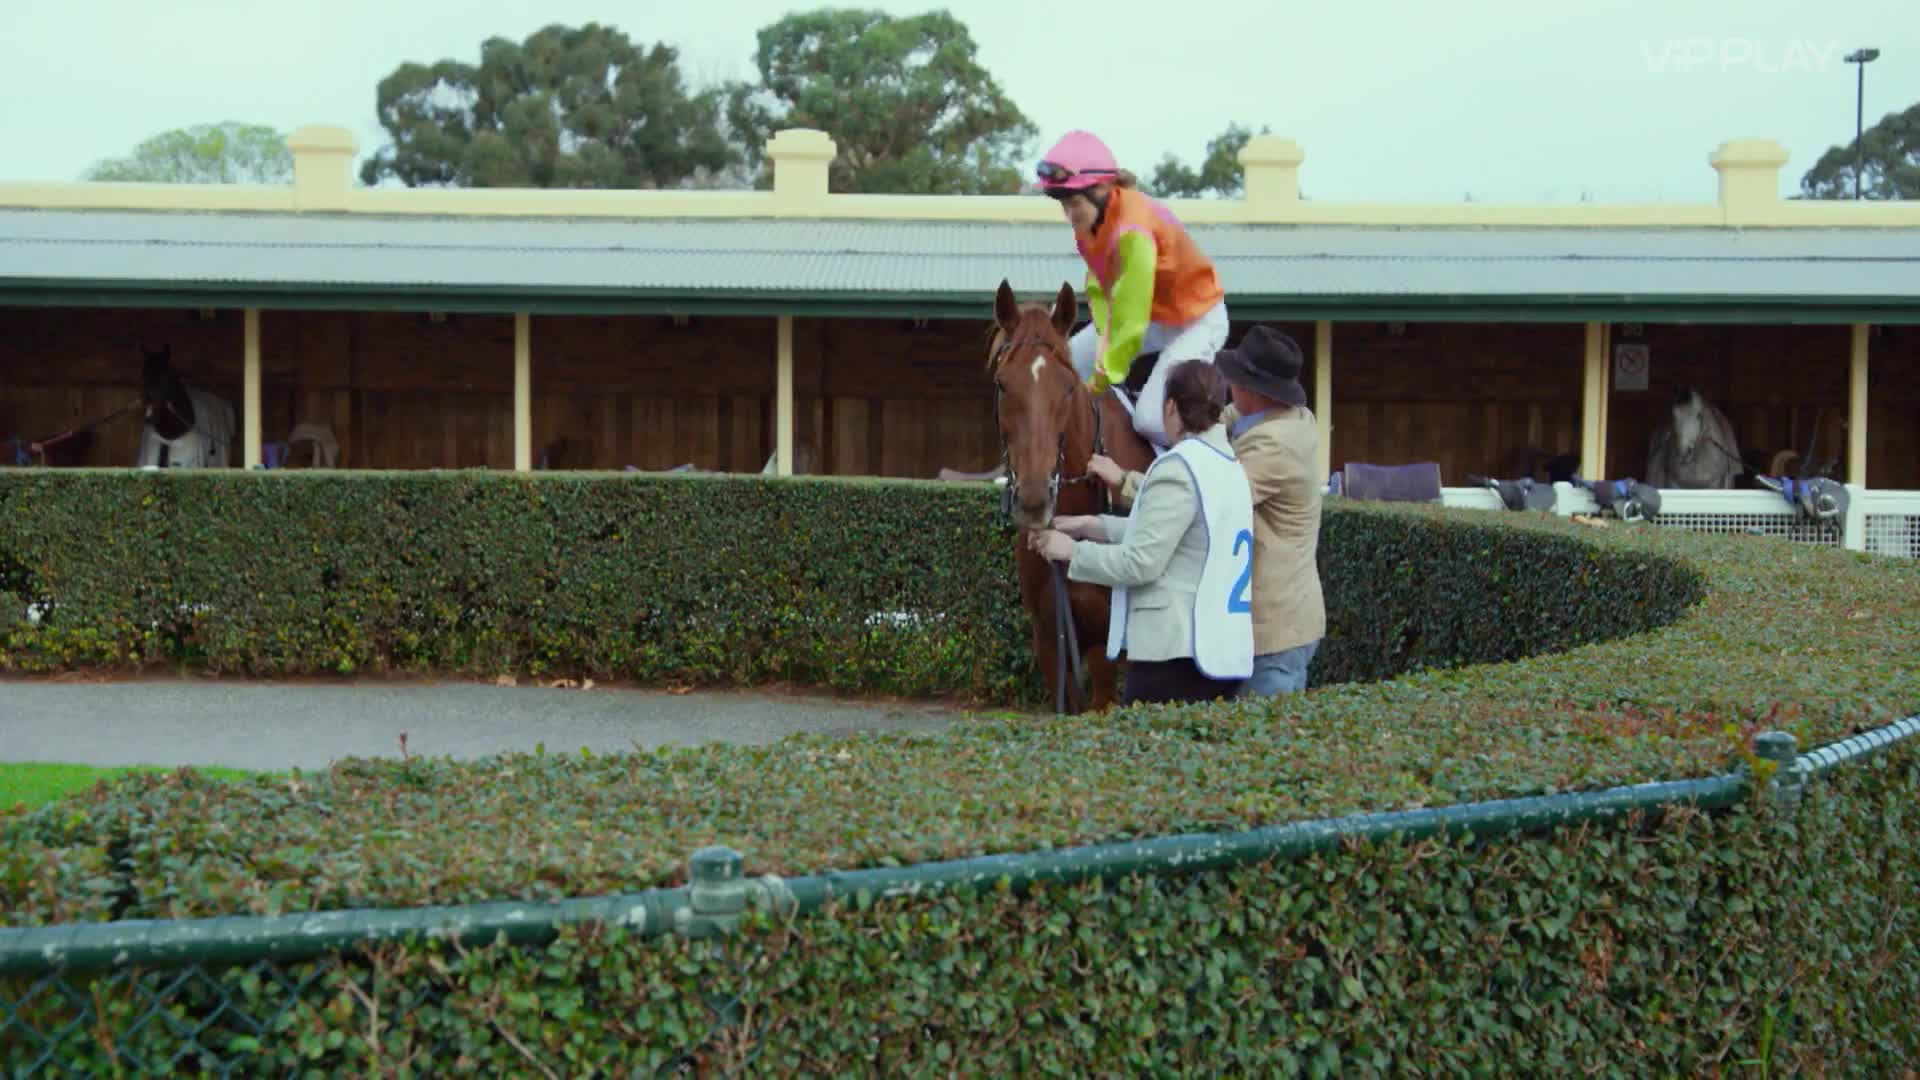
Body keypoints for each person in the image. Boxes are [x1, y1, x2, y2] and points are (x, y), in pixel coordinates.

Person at [1088, 326, 1325, 696]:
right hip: (1270, 626)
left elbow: (1203, 496)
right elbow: (1218, 419)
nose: (1229, 382)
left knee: (1259, 746)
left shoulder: (1276, 445)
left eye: (1237, 377)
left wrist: (1125, 481)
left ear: (1254, 390)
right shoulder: (1272, 419)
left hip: (1274, 634)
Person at [1028, 360, 1255, 705]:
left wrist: (1072, 551)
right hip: (1223, 650)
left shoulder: (1178, 467)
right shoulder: (1228, 465)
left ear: (1170, 407)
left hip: (1173, 654)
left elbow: (1140, 562)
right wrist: (1094, 526)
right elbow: (1179, 533)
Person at [1033, 130, 1230, 449]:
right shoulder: (1090, 224)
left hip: (1197, 321)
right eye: (1063, 205)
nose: (1069, 214)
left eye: (1073, 203)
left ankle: (1209, 460)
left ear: (1100, 189)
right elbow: (1100, 291)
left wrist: (1103, 375)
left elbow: (1132, 319)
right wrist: (1101, 342)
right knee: (1065, 361)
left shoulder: (1133, 230)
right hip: (1158, 315)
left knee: (1151, 419)